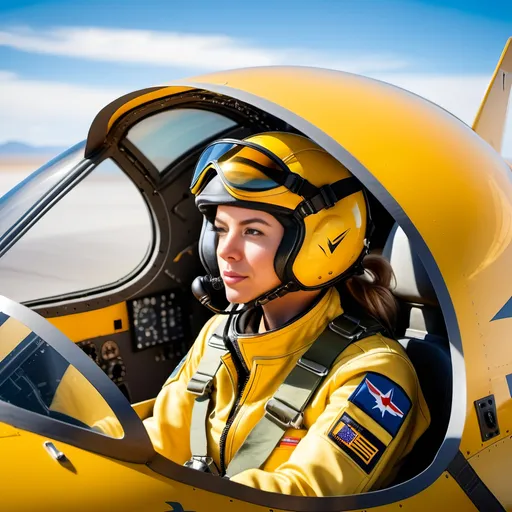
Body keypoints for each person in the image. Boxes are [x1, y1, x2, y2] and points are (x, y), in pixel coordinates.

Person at [143, 132, 430, 496]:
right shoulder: (218, 337)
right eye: (220, 229)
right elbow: (158, 442)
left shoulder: (372, 372)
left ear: (321, 243)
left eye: (252, 231)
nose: (225, 251)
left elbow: (303, 493)